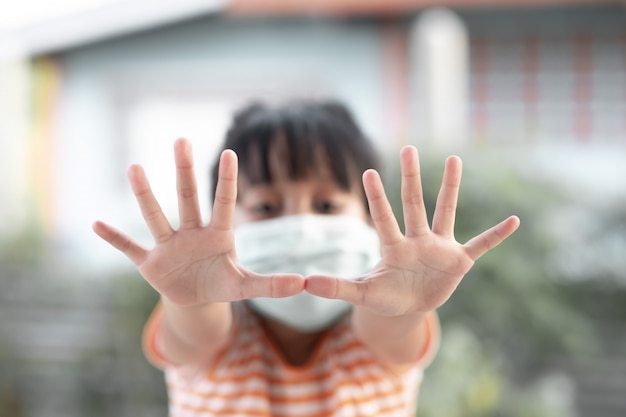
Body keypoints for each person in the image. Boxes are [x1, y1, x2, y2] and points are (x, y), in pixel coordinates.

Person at [93, 99, 520, 417]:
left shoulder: (383, 322)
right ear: (223, 224)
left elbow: (391, 329)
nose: (300, 225)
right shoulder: (213, 322)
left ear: (372, 222)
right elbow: (194, 335)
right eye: (265, 207)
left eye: (327, 206)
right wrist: (193, 298)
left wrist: (408, 307)